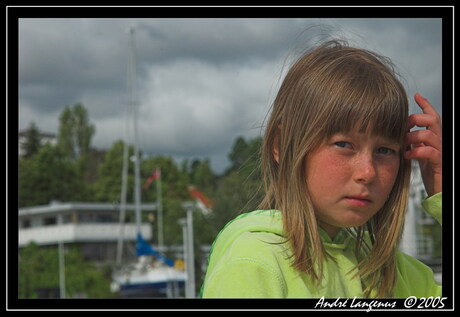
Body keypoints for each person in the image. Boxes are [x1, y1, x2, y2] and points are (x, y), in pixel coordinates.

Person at [200, 39, 442, 298]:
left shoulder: (389, 273)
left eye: (384, 151)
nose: (367, 172)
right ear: (282, 145)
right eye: (344, 144)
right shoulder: (254, 263)